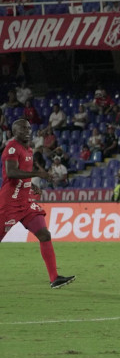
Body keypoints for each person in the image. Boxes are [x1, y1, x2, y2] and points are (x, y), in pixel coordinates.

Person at [1, 119, 74, 288]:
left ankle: (54, 278)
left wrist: (30, 184)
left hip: (25, 202)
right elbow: (11, 173)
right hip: (9, 203)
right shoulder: (11, 148)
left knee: (44, 235)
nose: (27, 131)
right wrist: (38, 174)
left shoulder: (28, 149)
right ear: (13, 132)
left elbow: (23, 173)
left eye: (28, 128)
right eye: (22, 129)